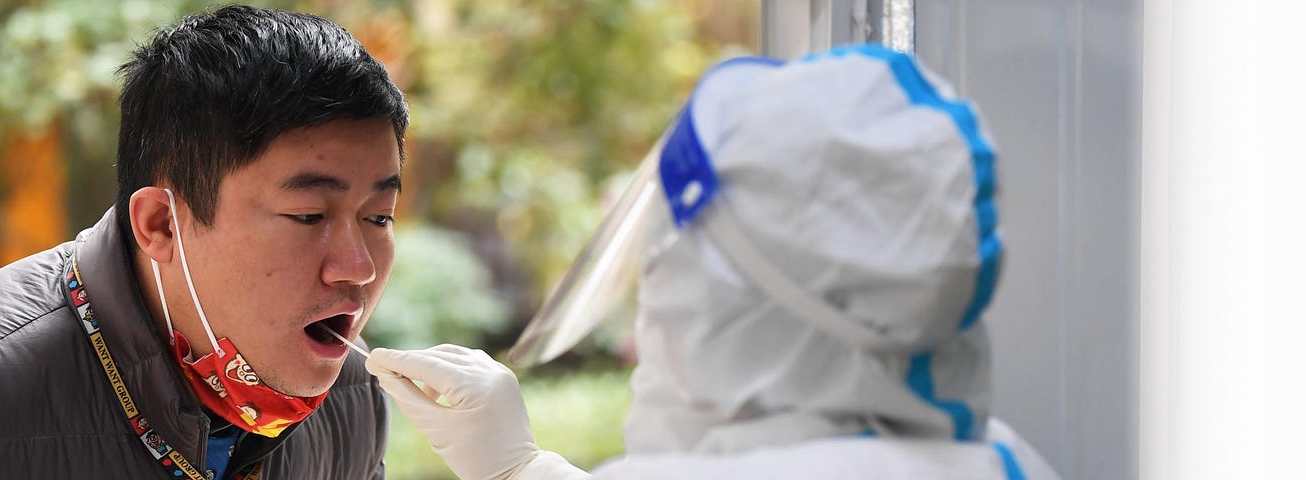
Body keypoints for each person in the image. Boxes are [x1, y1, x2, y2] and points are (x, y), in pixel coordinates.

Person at [364, 45, 1062, 479]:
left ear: (741, 302)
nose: (646, 311)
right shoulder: (998, 458)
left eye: (667, 271)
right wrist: (520, 468)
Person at [0, 5, 407, 479]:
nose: (359, 267)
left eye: (379, 217)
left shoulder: (352, 394)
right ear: (160, 225)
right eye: (308, 215)